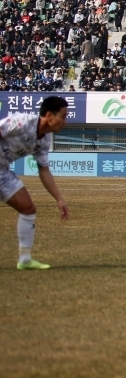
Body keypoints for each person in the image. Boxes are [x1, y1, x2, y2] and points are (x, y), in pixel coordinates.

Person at [1, 96, 70, 270]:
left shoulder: (44, 140)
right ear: (49, 115)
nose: (65, 122)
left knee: (28, 208)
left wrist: (59, 199)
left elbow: (44, 170)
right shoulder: (23, 122)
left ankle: (24, 259)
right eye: (63, 116)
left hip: (2, 171)